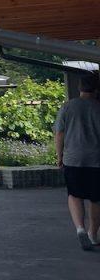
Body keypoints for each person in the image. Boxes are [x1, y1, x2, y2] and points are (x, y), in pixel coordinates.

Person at [54, 72, 100, 251]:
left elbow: (59, 134)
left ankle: (80, 228)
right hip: (96, 160)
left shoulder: (67, 107)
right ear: (96, 89)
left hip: (72, 158)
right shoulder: (98, 107)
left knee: (74, 195)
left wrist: (59, 156)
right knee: (96, 199)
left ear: (79, 87)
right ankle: (92, 234)